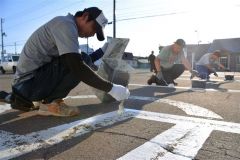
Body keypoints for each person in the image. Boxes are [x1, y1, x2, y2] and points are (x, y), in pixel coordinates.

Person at [4, 7, 130, 116]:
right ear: (85, 17)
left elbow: (80, 61)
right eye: (94, 29)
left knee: (80, 58)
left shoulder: (65, 25)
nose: (92, 34)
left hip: (26, 85)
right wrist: (111, 88)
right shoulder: (65, 25)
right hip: (28, 85)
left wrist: (102, 51)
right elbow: (76, 66)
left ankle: (17, 98)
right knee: (77, 60)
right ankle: (51, 103)